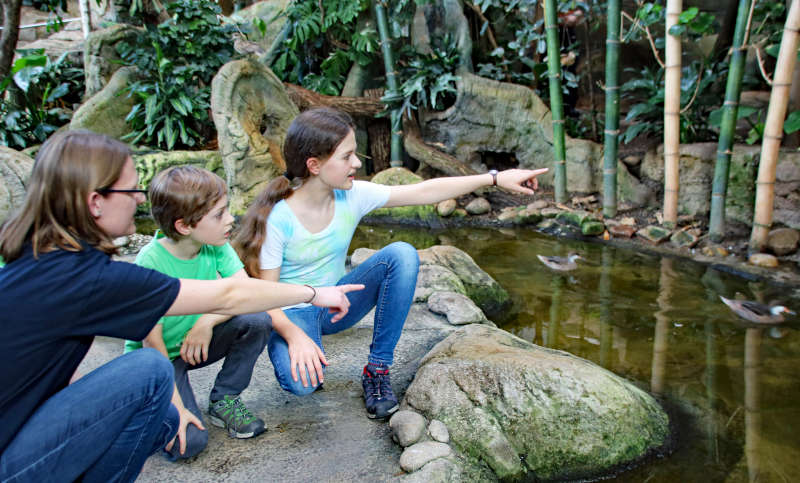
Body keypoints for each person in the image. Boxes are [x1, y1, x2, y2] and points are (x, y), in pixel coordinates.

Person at [0, 130, 362, 482]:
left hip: (18, 429)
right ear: (96, 202)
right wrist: (313, 293)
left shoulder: (34, 255)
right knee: (149, 371)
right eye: (131, 190)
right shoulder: (84, 278)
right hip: (10, 459)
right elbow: (228, 295)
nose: (140, 200)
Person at [233, 107, 547, 419]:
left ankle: (377, 370)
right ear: (314, 165)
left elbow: (424, 191)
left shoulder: (352, 195)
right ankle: (301, 347)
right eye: (347, 157)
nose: (357, 163)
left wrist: (495, 178)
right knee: (301, 384)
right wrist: (293, 336)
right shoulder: (278, 218)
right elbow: (265, 295)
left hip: (336, 304)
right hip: (292, 312)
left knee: (402, 254)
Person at [123, 166, 270, 461]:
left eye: (226, 210)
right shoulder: (149, 262)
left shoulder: (215, 246)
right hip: (158, 359)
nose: (230, 219)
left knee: (257, 320)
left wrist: (206, 321)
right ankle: (144, 409)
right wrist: (175, 404)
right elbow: (152, 344)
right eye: (219, 214)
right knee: (187, 444)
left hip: (195, 343)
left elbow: (246, 295)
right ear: (184, 226)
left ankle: (224, 398)